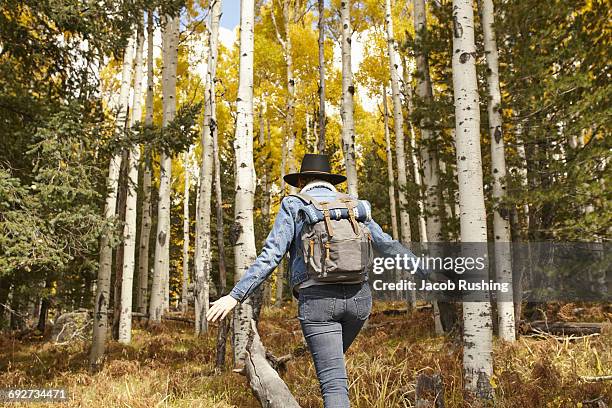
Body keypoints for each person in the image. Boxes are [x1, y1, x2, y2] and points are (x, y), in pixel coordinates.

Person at [207, 153, 422, 408]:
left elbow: (271, 255)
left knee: (333, 384)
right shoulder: (353, 206)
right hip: (359, 302)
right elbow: (386, 244)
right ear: (330, 181)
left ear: (302, 182)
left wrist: (235, 296)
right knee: (333, 369)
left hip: (318, 303)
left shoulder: (294, 204)